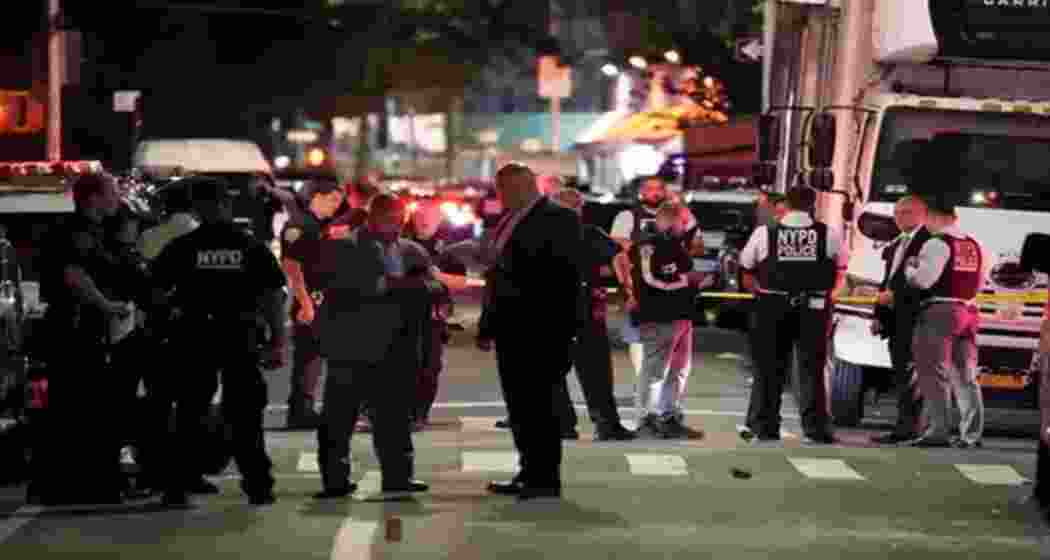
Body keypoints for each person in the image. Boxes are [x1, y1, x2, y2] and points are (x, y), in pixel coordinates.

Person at [150, 177, 288, 507]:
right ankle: (258, 484)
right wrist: (277, 341)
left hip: (195, 336)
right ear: (227, 205)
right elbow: (272, 298)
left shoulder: (183, 248)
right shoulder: (249, 246)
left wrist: (166, 326)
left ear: (197, 208)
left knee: (189, 412)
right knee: (244, 415)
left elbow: (156, 294)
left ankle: (177, 485)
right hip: (238, 336)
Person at [312, 194, 432, 499]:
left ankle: (398, 476)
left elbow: (430, 286)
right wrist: (399, 285)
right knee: (339, 418)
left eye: (400, 219)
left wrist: (426, 289)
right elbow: (344, 288)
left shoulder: (411, 250)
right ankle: (334, 479)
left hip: (395, 346)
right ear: (373, 217)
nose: (397, 225)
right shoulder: (346, 246)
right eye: (391, 219)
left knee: (393, 416)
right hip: (351, 346)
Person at [479, 163, 584, 501]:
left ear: (521, 187)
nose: (500, 196)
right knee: (521, 407)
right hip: (512, 328)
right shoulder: (508, 219)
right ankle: (529, 472)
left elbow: (567, 281)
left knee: (540, 408)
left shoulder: (560, 219)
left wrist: (567, 333)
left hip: (542, 331)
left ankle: (544, 480)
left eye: (504, 189)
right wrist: (488, 323)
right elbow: (497, 276)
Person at [28, 173, 130, 505]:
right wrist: (108, 305)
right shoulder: (75, 232)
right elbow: (74, 276)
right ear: (93, 197)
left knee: (86, 409)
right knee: (79, 409)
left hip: (85, 331)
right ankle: (72, 484)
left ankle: (82, 482)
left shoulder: (95, 232)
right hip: (74, 332)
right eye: (112, 193)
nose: (117, 198)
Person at [738, 186, 846, 444]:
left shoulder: (765, 233)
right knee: (812, 370)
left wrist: (764, 295)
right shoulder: (828, 234)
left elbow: (746, 270)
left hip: (771, 305)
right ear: (813, 204)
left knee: (768, 367)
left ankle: (764, 425)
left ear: (787, 204)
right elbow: (840, 270)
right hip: (813, 307)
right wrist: (827, 296)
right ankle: (817, 429)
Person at [899, 195, 990, 448]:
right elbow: (979, 283)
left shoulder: (937, 243)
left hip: (940, 311)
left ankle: (938, 431)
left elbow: (923, 281)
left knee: (933, 372)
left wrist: (910, 268)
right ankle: (971, 434)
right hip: (969, 311)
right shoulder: (973, 245)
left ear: (933, 216)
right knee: (966, 375)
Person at [549, 187, 636, 441]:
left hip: (551, 310)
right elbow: (619, 258)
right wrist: (628, 288)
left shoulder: (538, 234)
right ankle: (606, 424)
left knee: (553, 371)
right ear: (579, 209)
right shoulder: (588, 233)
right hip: (585, 310)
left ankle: (562, 424)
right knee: (596, 371)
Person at [610, 176, 704, 389]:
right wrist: (660, 248)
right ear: (641, 192)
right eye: (649, 189)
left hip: (673, 291)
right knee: (640, 341)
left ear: (665, 191)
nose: (655, 192)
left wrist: (668, 250)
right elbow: (618, 246)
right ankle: (644, 387)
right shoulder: (628, 216)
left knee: (673, 346)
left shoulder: (681, 215)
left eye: (659, 188)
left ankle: (664, 399)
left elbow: (698, 246)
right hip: (640, 288)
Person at [280, 181, 357, 429]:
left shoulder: (320, 226)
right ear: (317, 197)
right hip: (311, 300)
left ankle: (309, 410)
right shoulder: (299, 225)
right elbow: (292, 265)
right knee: (308, 358)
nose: (337, 205)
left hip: (326, 301)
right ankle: (300, 413)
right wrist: (304, 303)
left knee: (319, 358)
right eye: (333, 199)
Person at [629, 202, 709, 439]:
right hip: (659, 315)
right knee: (654, 370)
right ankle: (646, 419)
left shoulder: (675, 246)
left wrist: (691, 282)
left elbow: (680, 272)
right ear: (673, 222)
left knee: (679, 369)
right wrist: (691, 282)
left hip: (682, 315)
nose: (686, 228)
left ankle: (669, 417)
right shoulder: (647, 247)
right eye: (683, 223)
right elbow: (649, 279)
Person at [870, 196, 931, 444]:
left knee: (911, 376)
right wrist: (878, 315)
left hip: (916, 318)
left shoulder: (929, 242)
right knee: (902, 376)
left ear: (922, 214)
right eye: (896, 213)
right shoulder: (897, 243)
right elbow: (887, 281)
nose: (900, 217)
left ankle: (910, 428)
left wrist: (895, 296)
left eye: (906, 212)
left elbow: (926, 284)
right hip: (895, 319)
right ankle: (905, 426)